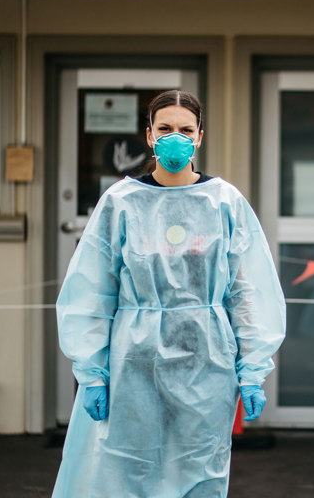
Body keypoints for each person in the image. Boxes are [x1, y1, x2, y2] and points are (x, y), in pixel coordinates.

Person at [53, 89, 286, 498]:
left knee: (200, 471)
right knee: (129, 470)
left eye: (184, 129)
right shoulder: (121, 202)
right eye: (164, 128)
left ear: (199, 137)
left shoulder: (224, 202)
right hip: (135, 362)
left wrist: (252, 369)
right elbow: (92, 291)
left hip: (208, 361)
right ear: (148, 135)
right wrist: (92, 372)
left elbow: (248, 289)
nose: (174, 137)